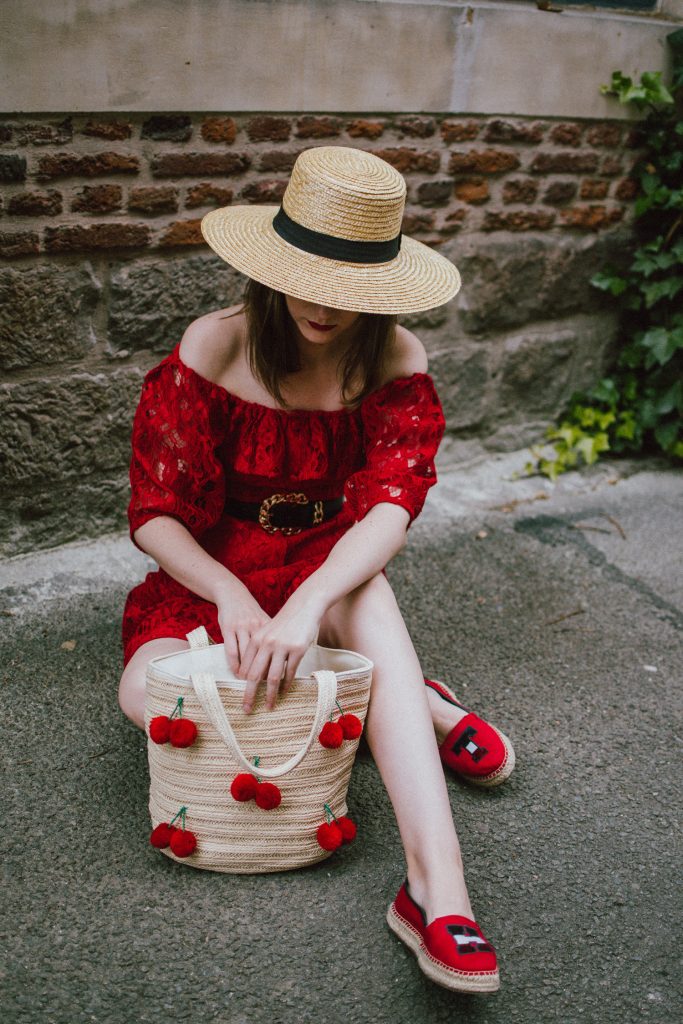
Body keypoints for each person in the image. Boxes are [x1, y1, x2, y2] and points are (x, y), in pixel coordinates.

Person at [118, 146, 514, 994]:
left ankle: (434, 891)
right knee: (145, 697)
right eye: (307, 276)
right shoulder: (215, 345)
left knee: (361, 601)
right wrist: (227, 593)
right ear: (274, 266)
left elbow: (387, 509)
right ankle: (412, 706)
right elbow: (155, 513)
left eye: (348, 286)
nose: (324, 306)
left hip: (331, 566)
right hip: (213, 565)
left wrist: (306, 603)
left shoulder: (395, 358)